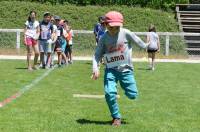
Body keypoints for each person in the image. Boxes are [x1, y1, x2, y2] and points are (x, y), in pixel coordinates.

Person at [91, 11, 149, 126]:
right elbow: (97, 54)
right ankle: (116, 117)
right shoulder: (103, 38)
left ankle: (123, 85)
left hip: (126, 69)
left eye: (117, 27)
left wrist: (146, 46)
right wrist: (95, 68)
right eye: (111, 27)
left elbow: (137, 40)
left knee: (133, 95)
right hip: (110, 70)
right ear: (106, 25)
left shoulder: (126, 33)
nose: (114, 30)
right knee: (109, 94)